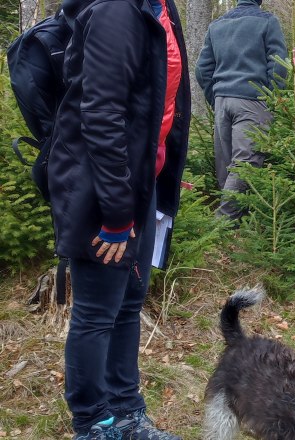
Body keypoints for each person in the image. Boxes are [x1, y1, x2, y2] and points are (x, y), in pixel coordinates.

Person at [48, 0, 190, 438]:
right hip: (102, 189)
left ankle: (127, 412)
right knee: (97, 313)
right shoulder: (116, 10)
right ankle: (92, 422)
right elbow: (101, 115)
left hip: (138, 185)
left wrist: (157, 186)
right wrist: (115, 215)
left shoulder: (158, 8)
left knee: (129, 303)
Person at [196, 0, 287, 221]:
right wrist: (271, 97)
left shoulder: (217, 25)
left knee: (226, 163)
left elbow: (202, 69)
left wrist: (215, 97)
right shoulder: (267, 22)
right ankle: (224, 222)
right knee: (246, 162)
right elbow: (278, 64)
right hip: (252, 99)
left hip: (222, 101)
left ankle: (237, 224)